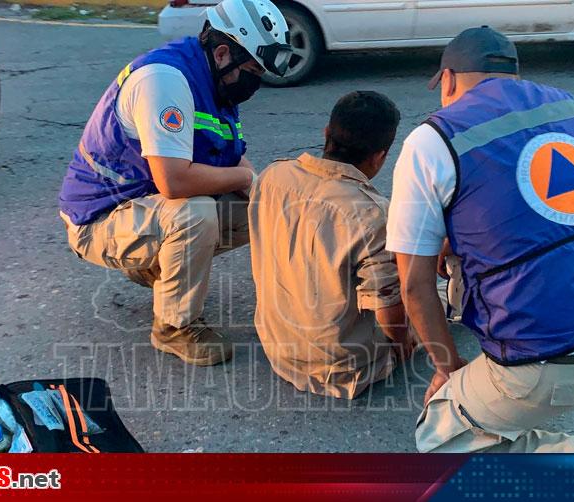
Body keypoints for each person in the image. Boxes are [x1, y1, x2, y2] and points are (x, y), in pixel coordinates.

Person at [386, 27, 574, 453]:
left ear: (446, 80)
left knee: (441, 436)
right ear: (514, 76)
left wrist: (449, 370)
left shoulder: (432, 139)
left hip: (554, 355)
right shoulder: (568, 105)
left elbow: (414, 285)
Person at [57, 0, 292, 366]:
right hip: (98, 220)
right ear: (223, 51)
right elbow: (174, 182)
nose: (254, 82)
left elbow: (230, 157)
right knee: (194, 212)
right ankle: (174, 328)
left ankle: (161, 269)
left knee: (261, 206)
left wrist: (266, 194)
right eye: (252, 71)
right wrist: (247, 178)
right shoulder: (164, 80)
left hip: (141, 206)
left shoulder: (214, 79)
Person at [249, 91, 415, 399]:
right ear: (380, 155)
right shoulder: (373, 213)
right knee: (422, 291)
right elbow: (388, 311)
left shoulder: (272, 175)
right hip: (343, 370)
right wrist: (404, 342)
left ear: (326, 134)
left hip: (277, 347)